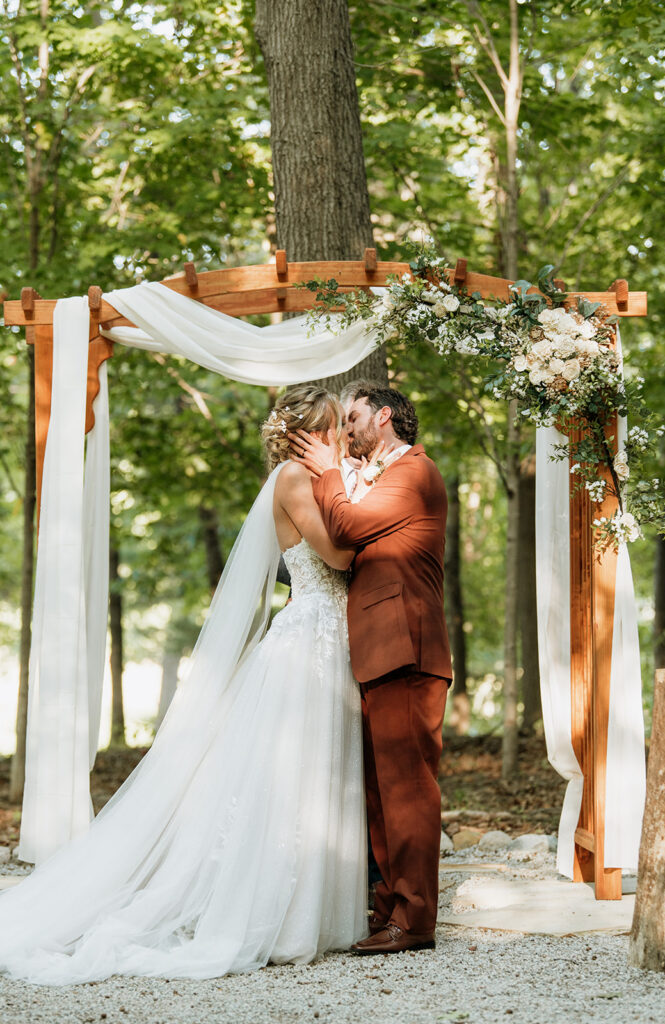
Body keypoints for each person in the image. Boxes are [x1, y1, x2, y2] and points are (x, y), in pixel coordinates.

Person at [0, 385, 368, 984]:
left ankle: (313, 914)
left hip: (329, 638)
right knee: (294, 778)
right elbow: (340, 556)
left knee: (319, 777)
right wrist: (342, 482)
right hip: (310, 642)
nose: (343, 437)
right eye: (334, 426)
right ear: (310, 431)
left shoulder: (310, 477)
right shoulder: (296, 481)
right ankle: (276, 918)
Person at [290, 384, 451, 955]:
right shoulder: (377, 475)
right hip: (377, 651)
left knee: (407, 788)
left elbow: (349, 530)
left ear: (385, 417)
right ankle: (389, 911)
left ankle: (415, 921)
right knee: (381, 792)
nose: (346, 429)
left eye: (354, 417)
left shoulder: (415, 473)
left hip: (406, 648)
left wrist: (331, 471)